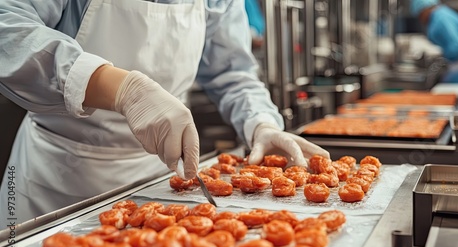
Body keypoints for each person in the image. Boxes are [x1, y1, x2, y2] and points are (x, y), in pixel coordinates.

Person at [0, 0, 329, 226]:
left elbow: (232, 72)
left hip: (161, 175)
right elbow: (8, 27)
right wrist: (119, 88)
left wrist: (260, 123)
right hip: (57, 172)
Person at [411, 0, 458, 83]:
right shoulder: (440, 15)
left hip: (457, 72)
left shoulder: (441, 18)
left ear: (425, 8)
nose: (421, 19)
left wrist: (437, 52)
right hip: (455, 71)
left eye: (420, 14)